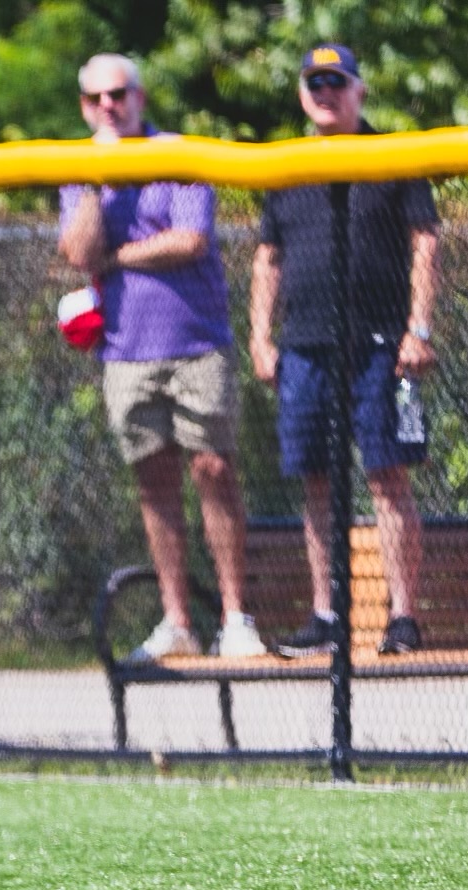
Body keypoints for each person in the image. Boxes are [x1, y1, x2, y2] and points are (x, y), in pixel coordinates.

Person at [57, 53, 263, 663]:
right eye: (96, 99)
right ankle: (177, 621)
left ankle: (234, 618)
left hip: (197, 341)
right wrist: (97, 182)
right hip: (125, 351)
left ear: (140, 97)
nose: (108, 107)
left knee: (214, 472)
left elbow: (189, 239)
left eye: (118, 94)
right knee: (154, 482)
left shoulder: (177, 153)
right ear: (84, 107)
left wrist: (117, 259)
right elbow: (78, 251)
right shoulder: (78, 169)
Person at [250, 43, 441, 657]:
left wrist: (420, 329)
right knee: (316, 478)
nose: (324, 93)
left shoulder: (393, 157)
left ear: (359, 91)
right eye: (314, 83)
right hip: (305, 345)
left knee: (387, 475)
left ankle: (402, 617)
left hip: (380, 343)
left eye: (336, 82)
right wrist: (260, 335)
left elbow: (425, 243)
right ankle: (327, 613)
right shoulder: (289, 165)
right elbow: (268, 258)